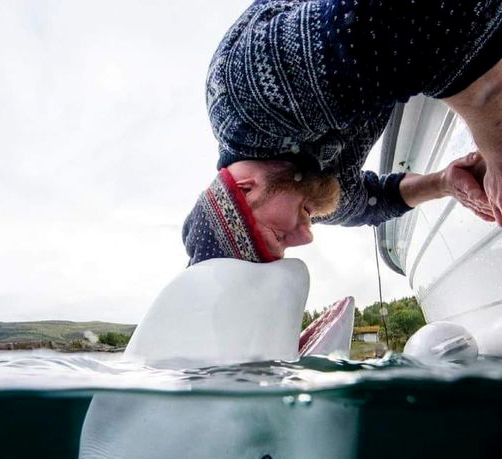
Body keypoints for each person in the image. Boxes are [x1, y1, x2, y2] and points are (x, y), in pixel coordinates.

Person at [183, 0, 502, 265]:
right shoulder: (301, 189)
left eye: (279, 236)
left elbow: (413, 18)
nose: (306, 236)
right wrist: (444, 182)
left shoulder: (245, 101)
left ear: (245, 187)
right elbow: (373, 202)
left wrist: (496, 147)